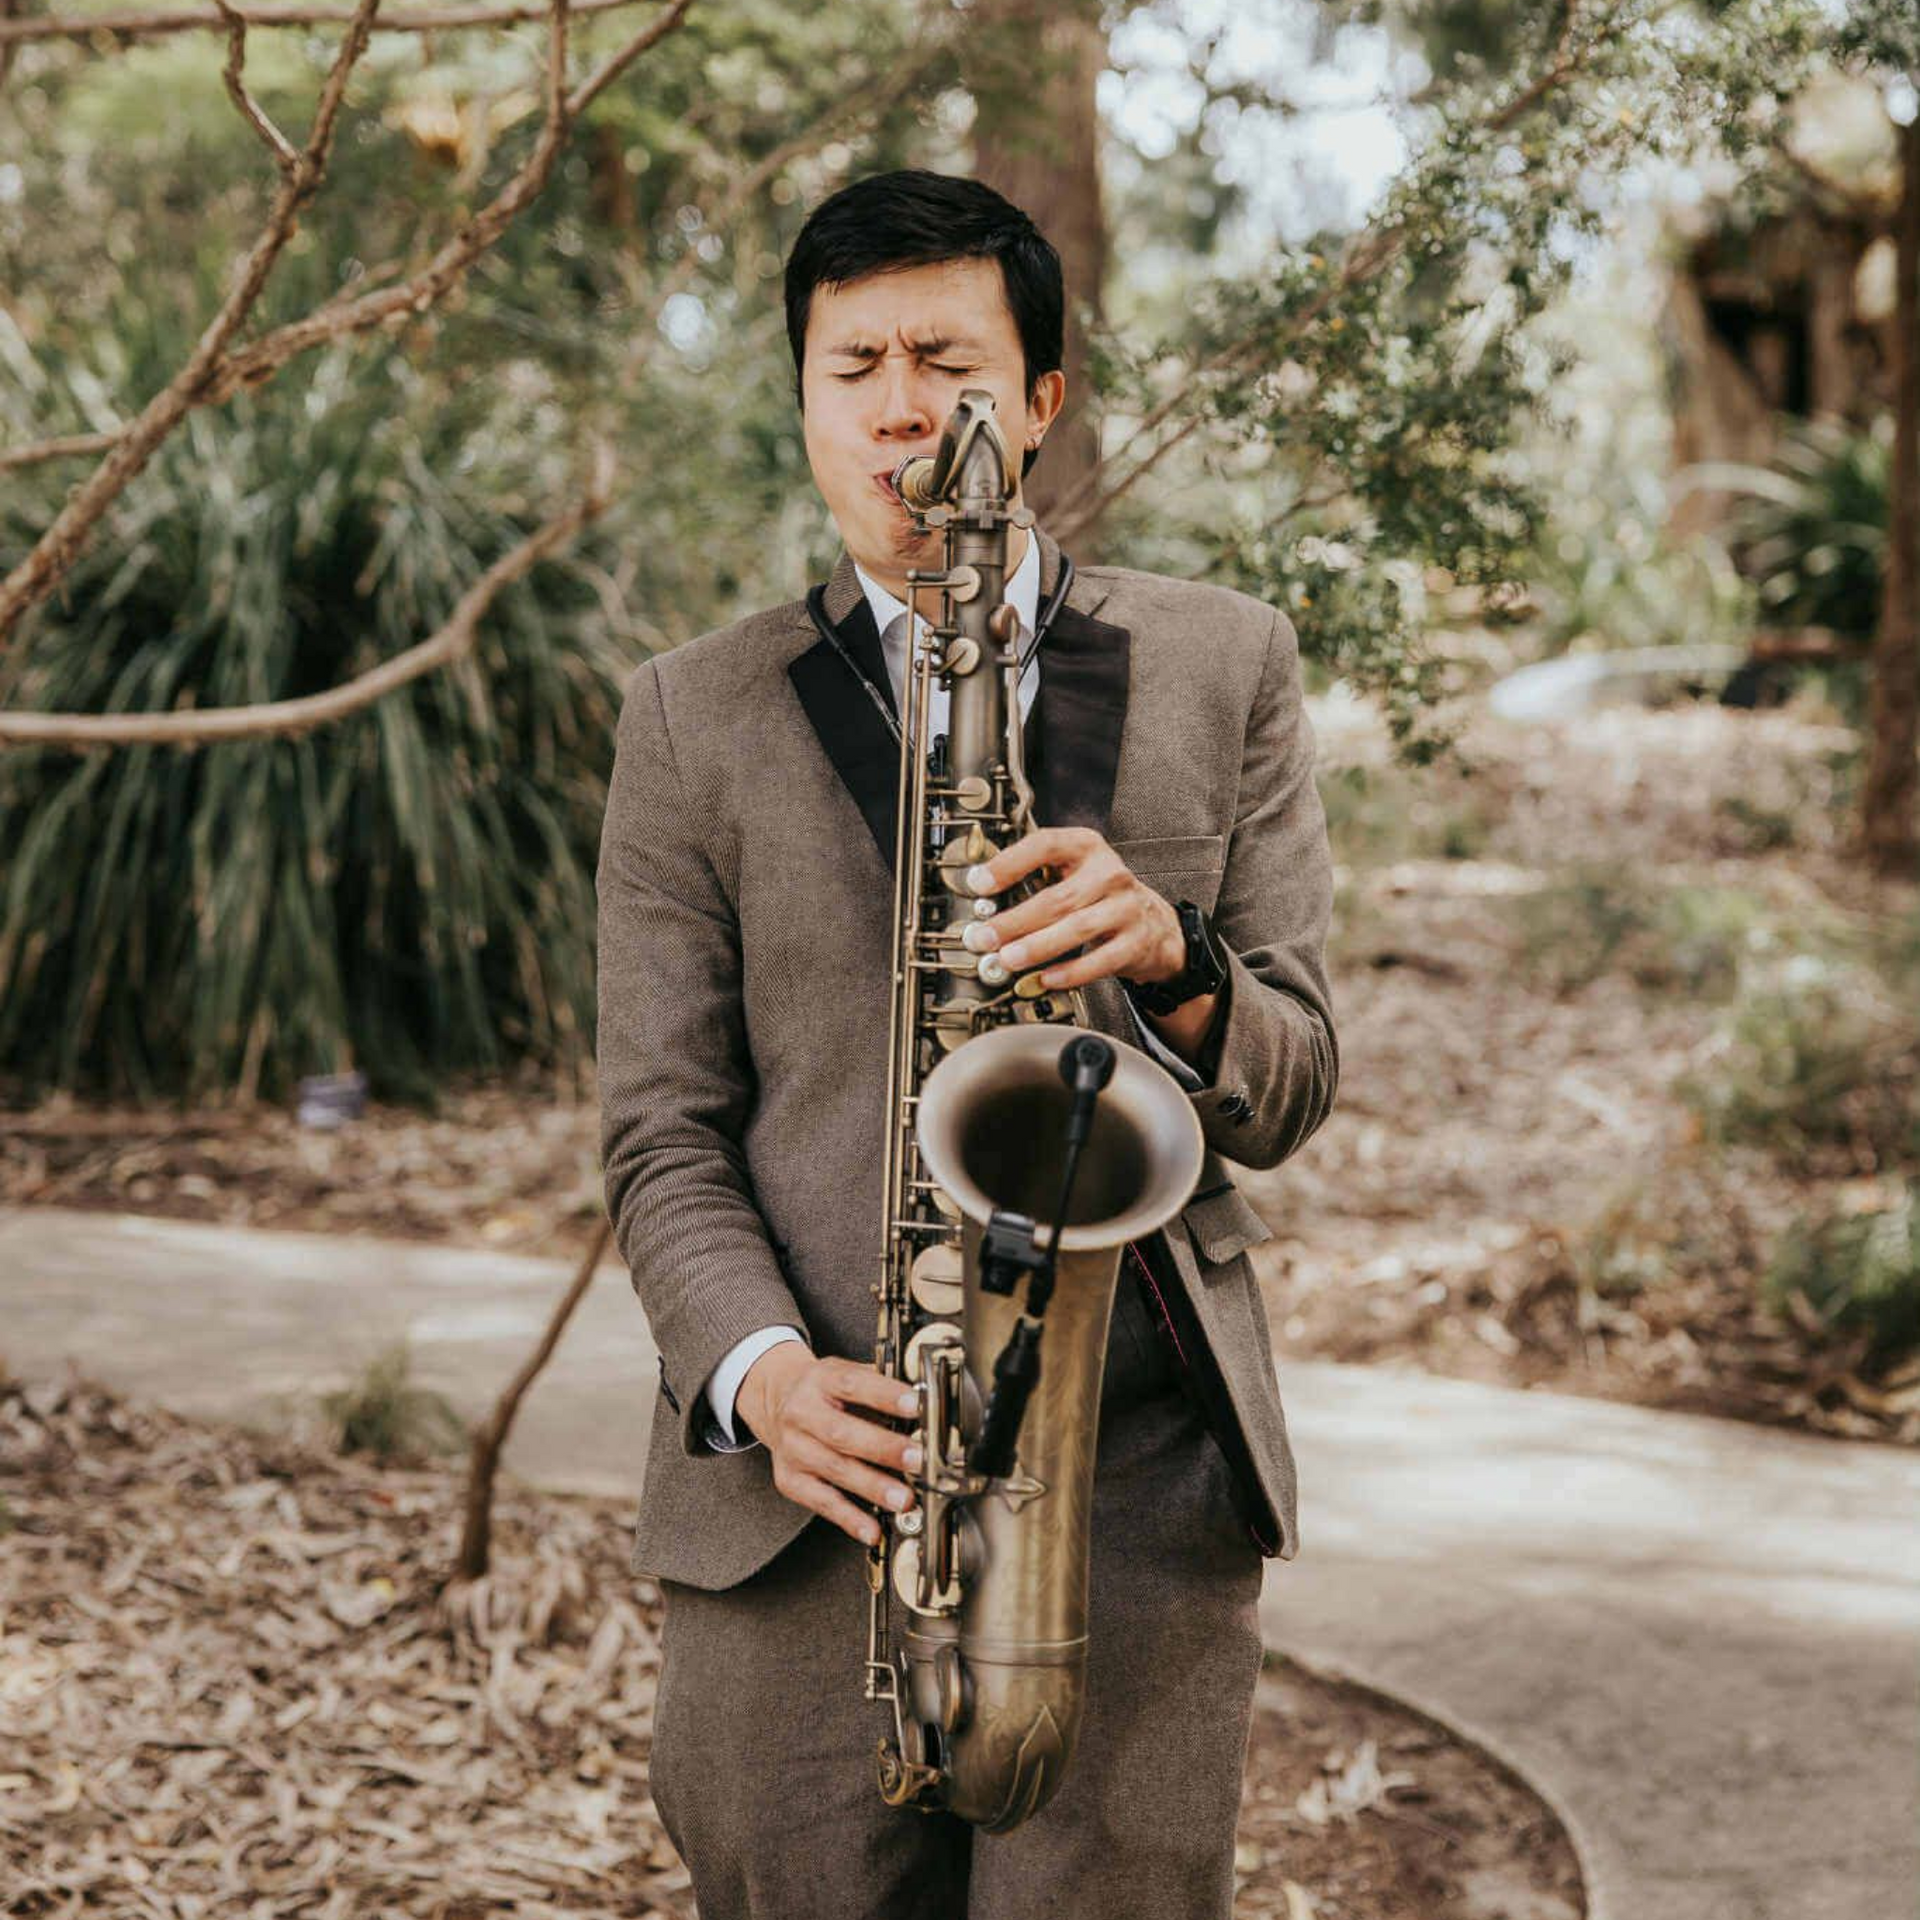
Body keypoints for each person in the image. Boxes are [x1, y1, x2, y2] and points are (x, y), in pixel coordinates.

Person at [597, 167, 1338, 1920]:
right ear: (802, 402)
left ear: (1046, 401)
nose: (903, 408)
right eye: (851, 365)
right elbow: (660, 1131)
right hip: (814, 1478)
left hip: (1131, 1491)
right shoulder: (686, 717)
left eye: (949, 358)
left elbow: (1293, 1074)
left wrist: (1176, 961)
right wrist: (763, 1376)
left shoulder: (1226, 665)